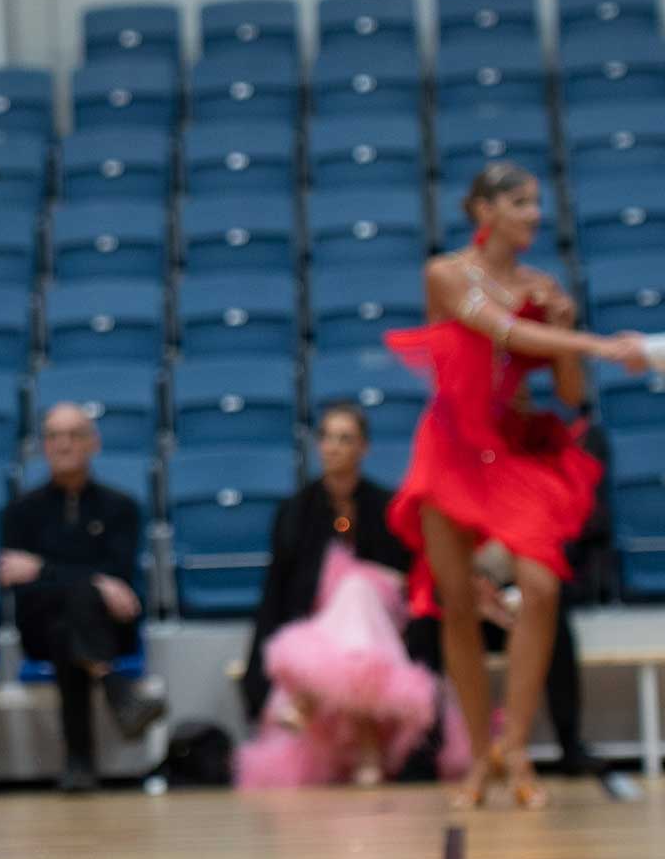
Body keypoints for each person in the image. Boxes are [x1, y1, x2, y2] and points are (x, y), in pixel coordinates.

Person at [385, 163, 639, 812]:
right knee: (456, 604)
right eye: (521, 203)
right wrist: (596, 341)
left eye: (535, 203)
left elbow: (571, 395)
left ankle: (517, 747)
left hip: (515, 449)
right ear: (485, 210)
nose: (534, 215)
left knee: (541, 586)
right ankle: (480, 757)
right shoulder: (445, 274)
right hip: (451, 449)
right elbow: (500, 330)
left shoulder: (540, 287)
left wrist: (567, 335)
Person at [237, 404, 443, 788]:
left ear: (363, 447)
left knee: (357, 588)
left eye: (345, 439)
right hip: (322, 626)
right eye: (327, 437)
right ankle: (367, 745)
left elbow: (408, 576)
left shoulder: (387, 506)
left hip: (385, 618)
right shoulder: (296, 510)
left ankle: (308, 700)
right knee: (352, 609)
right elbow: (279, 589)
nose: (333, 447)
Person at [0, 404, 163, 792]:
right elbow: (20, 587)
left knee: (68, 625)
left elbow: (120, 577)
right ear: (43, 446)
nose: (64, 444)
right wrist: (92, 579)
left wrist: (43, 568)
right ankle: (115, 689)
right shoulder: (20, 512)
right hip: (38, 626)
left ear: (93, 443)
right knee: (68, 612)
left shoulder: (121, 508)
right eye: (55, 436)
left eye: (74, 435)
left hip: (107, 626)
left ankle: (79, 762)